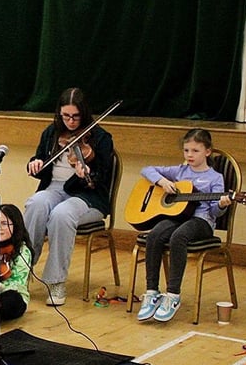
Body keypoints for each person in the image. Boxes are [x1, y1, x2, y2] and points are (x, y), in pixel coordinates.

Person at [24, 87, 115, 306]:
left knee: (61, 215)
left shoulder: (101, 138)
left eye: (76, 116)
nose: (71, 122)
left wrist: (86, 175)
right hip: (54, 188)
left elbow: (101, 179)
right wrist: (34, 164)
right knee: (36, 203)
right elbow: (40, 160)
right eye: (66, 116)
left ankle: (56, 281)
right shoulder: (51, 132)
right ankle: (23, 267)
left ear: (84, 113)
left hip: (88, 196)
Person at [136, 129, 232, 322]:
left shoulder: (215, 178)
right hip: (178, 217)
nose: (189, 155)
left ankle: (172, 295)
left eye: (195, 151)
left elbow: (214, 212)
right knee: (155, 234)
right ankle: (152, 291)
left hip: (202, 221)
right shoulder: (179, 171)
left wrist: (221, 205)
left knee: (178, 236)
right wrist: (162, 181)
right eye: (186, 150)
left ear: (207, 151)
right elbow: (146, 169)